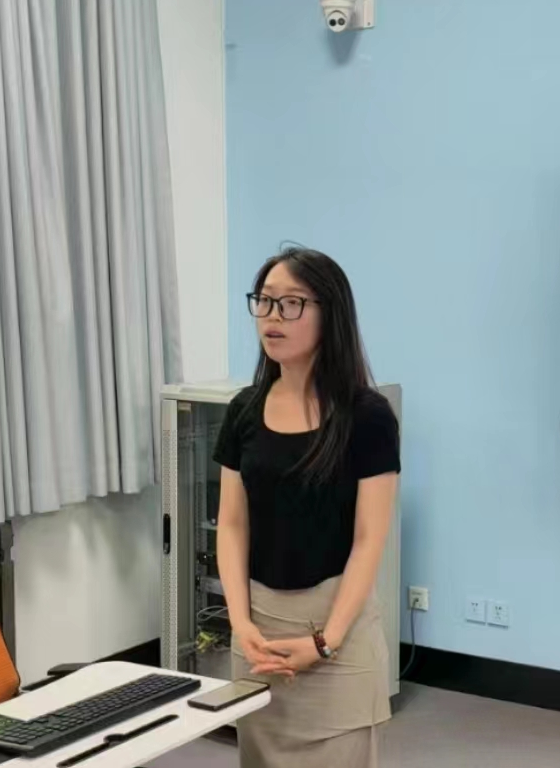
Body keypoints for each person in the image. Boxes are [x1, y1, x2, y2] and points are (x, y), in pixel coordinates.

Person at [213, 246, 400, 768]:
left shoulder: (367, 417)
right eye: (265, 301)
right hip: (258, 631)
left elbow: (369, 540)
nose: (272, 317)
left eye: (291, 303)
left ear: (329, 314)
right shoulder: (244, 410)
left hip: (337, 632)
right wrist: (240, 622)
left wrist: (326, 641)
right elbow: (232, 525)